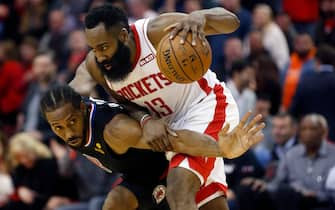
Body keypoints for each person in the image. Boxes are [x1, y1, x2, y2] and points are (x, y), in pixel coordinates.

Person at [69, 4, 259, 210]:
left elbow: (232, 21)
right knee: (210, 204)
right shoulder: (99, 67)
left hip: (206, 107)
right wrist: (145, 120)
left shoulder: (156, 32)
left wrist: (201, 17)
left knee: (178, 189)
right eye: (94, 48)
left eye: (104, 47)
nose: (99, 56)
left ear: (123, 36)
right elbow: (125, 103)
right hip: (171, 128)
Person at [41, 85, 265, 210]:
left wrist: (222, 149)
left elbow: (175, 139)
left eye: (71, 122)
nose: (68, 133)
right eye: (58, 127)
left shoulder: (115, 130)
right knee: (114, 204)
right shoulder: (69, 120)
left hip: (173, 159)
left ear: (82, 108)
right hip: (141, 176)